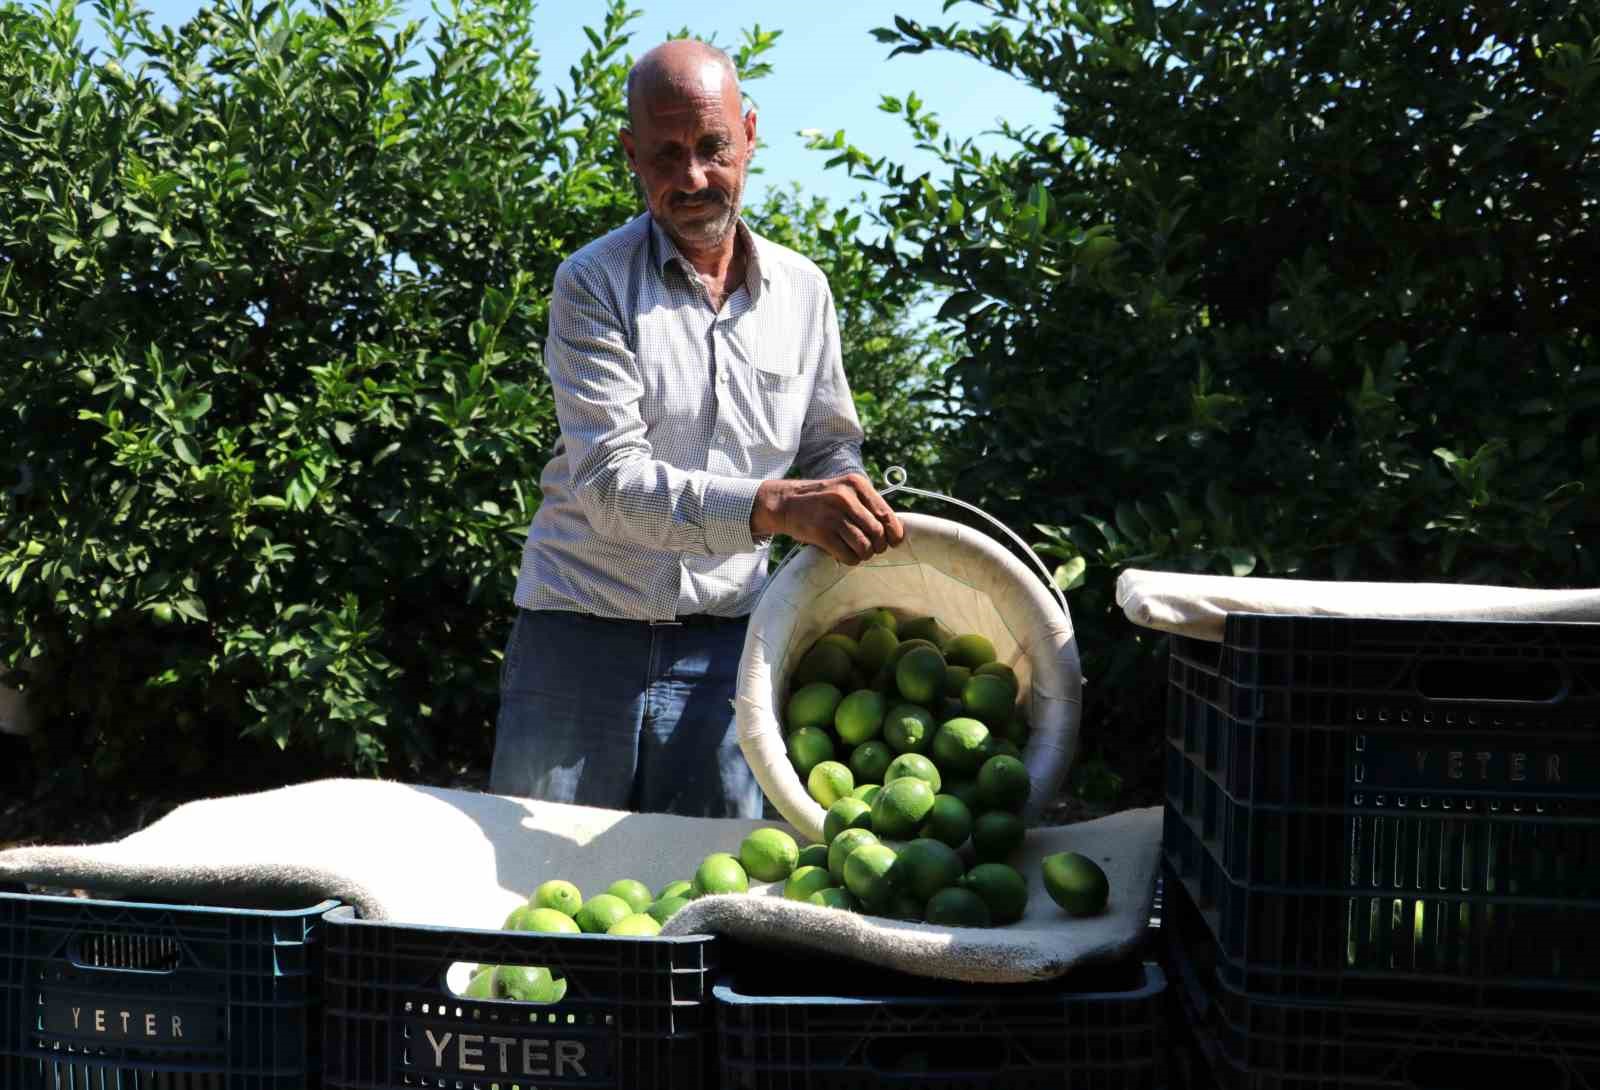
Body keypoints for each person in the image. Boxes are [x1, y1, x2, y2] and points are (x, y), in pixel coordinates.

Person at [489, 40, 905, 818]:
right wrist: (775, 509)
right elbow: (612, 483)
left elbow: (827, 439)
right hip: (579, 636)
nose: (692, 178)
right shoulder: (592, 284)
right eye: (665, 154)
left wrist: (844, 484)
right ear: (630, 155)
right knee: (533, 883)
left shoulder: (803, 292)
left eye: (713, 147)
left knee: (709, 893)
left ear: (749, 134)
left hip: (728, 647)